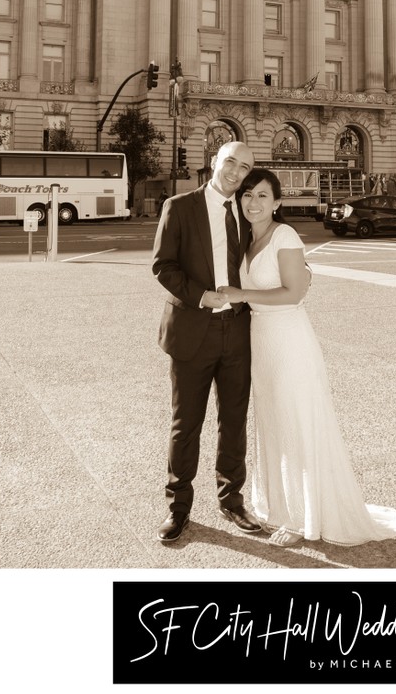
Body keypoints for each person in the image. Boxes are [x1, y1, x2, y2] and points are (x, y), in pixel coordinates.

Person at [218, 168, 396, 547]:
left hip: (289, 340)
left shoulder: (284, 235)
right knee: (274, 424)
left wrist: (238, 294)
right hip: (262, 343)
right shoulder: (247, 238)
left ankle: (302, 518)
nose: (253, 202)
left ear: (278, 202)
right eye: (247, 195)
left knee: (297, 424)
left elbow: (294, 294)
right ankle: (280, 506)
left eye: (263, 196)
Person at [152, 140, 262, 543]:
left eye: (245, 167)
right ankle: (178, 507)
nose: (236, 172)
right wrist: (201, 295)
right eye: (230, 161)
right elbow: (162, 265)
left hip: (237, 332)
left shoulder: (249, 212)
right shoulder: (179, 206)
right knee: (186, 424)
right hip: (192, 329)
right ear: (214, 161)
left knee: (233, 421)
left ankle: (232, 499)